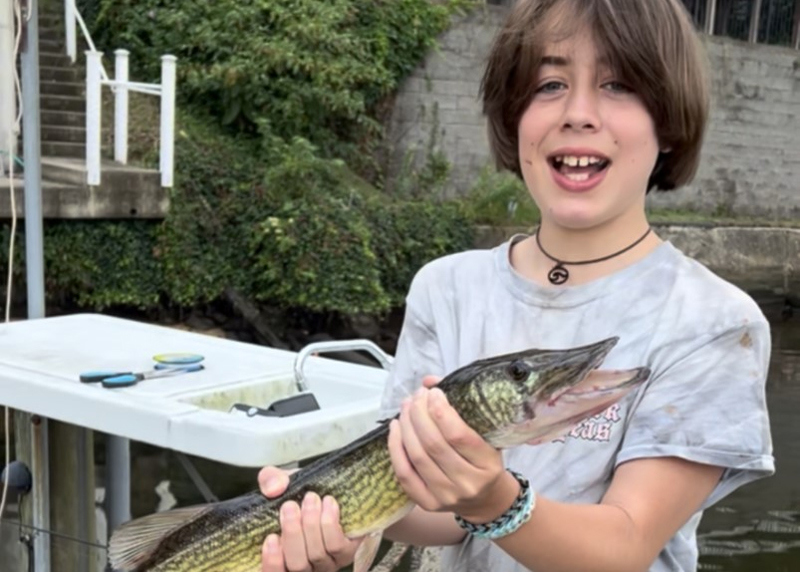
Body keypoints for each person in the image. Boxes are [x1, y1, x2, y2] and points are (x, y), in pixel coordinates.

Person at [258, 0, 775, 570]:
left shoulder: (716, 322)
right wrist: (337, 528)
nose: (578, 113)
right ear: (512, 116)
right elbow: (436, 512)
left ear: (670, 124)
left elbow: (624, 545)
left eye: (619, 84)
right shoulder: (446, 288)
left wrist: (493, 500)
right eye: (549, 83)